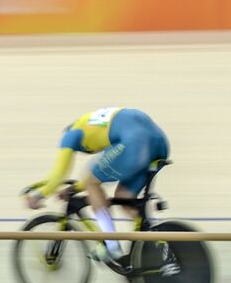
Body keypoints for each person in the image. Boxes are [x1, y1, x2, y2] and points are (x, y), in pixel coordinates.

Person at [25, 107, 170, 266]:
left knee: (91, 184)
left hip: (134, 143)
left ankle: (111, 245)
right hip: (159, 143)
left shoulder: (71, 134)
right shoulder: (93, 123)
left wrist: (38, 195)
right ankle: (160, 239)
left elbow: (58, 176)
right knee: (124, 197)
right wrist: (75, 188)